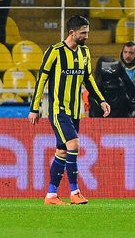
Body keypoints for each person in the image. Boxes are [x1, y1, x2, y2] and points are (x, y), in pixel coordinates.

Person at [29, 15, 110, 205]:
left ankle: (51, 195)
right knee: (73, 144)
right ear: (72, 32)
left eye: (87, 32)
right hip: (59, 110)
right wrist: (35, 107)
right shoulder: (55, 51)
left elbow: (88, 79)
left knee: (62, 151)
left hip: (75, 111)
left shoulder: (84, 52)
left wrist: (101, 100)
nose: (86, 36)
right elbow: (42, 79)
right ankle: (75, 192)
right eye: (83, 33)